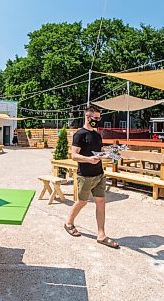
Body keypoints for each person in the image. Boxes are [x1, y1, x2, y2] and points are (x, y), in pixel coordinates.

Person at [64, 105, 120, 249]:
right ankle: (69, 223)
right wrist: (89, 159)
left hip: (99, 174)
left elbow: (99, 152)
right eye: (96, 118)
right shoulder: (79, 134)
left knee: (101, 202)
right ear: (88, 117)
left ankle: (101, 235)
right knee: (82, 202)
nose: (98, 120)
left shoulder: (97, 135)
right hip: (85, 176)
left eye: (99, 118)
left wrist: (110, 154)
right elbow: (74, 155)